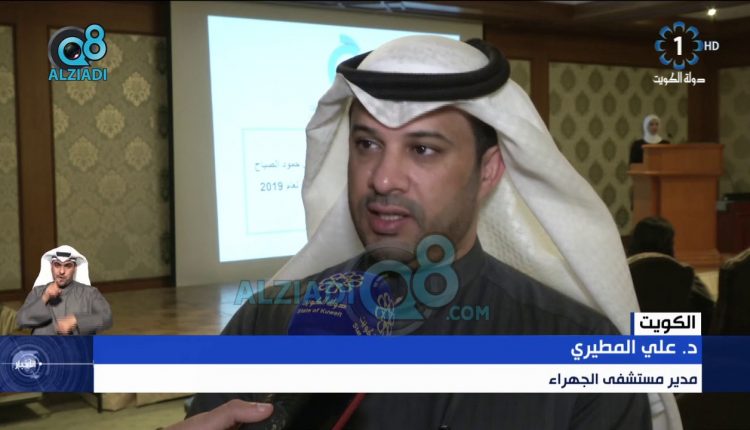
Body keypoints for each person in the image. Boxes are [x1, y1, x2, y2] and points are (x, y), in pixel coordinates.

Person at [173, 36, 682, 429]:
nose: (383, 178)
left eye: (422, 149)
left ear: (488, 170)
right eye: (367, 144)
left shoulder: (581, 350)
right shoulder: (267, 322)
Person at [628, 216, 715, 332]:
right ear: (670, 245)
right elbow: (709, 310)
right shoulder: (684, 273)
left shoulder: (624, 275)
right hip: (681, 338)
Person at [16, 245, 112, 335]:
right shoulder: (38, 292)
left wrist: (76, 320)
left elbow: (107, 318)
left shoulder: (89, 293)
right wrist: (45, 297)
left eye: (67, 266)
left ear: (75, 268)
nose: (61, 271)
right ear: (51, 267)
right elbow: (20, 320)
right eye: (57, 265)